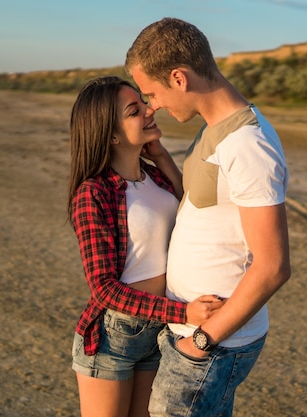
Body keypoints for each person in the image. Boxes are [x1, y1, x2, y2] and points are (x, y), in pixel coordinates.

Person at [125, 18, 292, 416]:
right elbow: (204, 207)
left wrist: (200, 342)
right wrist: (162, 159)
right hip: (194, 334)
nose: (152, 106)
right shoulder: (215, 130)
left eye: (152, 93)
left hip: (214, 342)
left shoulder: (247, 145)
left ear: (179, 78)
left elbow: (273, 266)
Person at [67, 76, 225, 417]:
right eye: (134, 110)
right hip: (114, 336)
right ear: (111, 134)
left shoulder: (156, 177)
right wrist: (183, 313)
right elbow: (104, 289)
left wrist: (163, 156)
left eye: (145, 102)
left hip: (160, 333)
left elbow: (193, 211)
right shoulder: (93, 193)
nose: (150, 110)